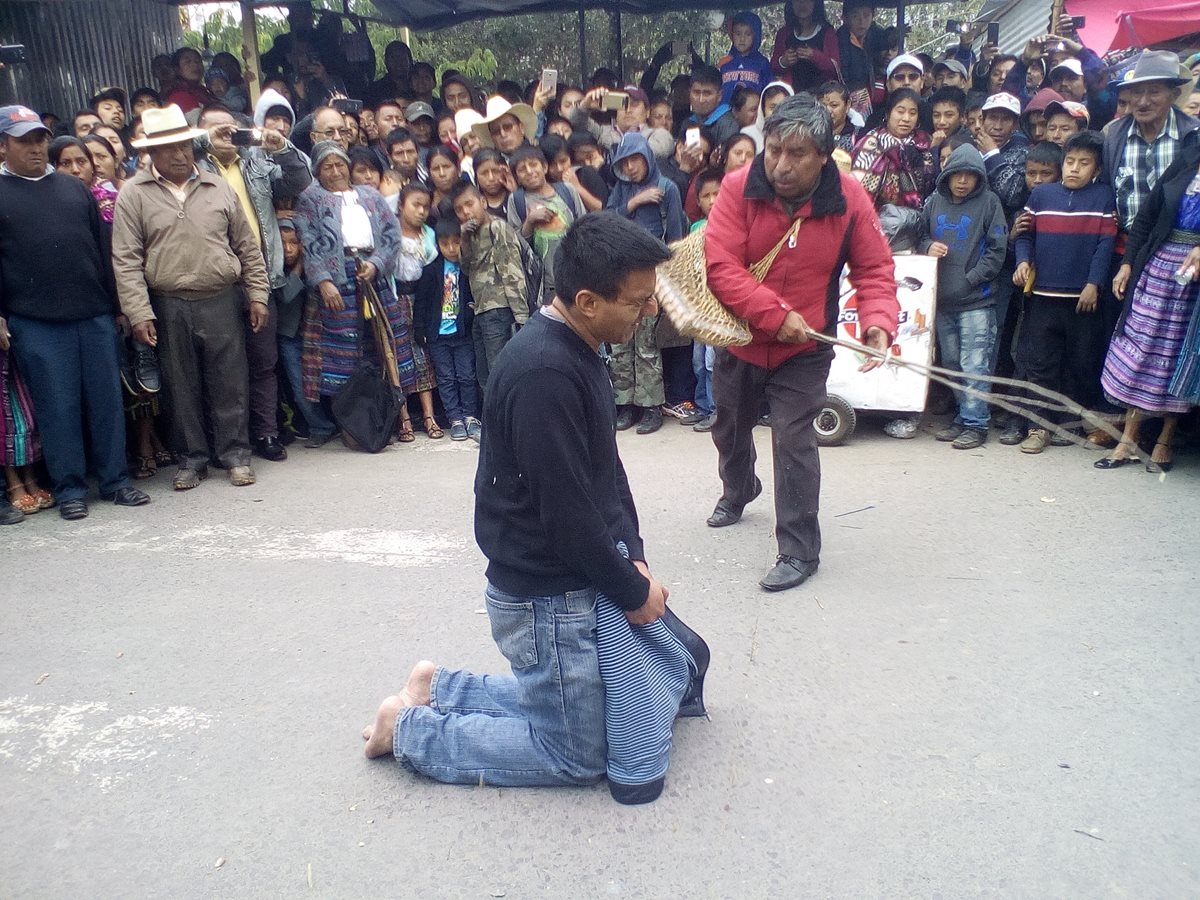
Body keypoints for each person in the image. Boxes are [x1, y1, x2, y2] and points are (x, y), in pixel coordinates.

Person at [362, 213, 687, 794]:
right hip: (545, 600)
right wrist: (633, 593)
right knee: (577, 755)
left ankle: (440, 689)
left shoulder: (579, 344)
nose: (649, 312)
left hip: (564, 580)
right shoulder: (545, 372)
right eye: (638, 303)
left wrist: (633, 556)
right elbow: (566, 517)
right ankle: (409, 729)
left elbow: (606, 471)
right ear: (587, 301)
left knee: (580, 706)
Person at [704, 94, 897, 591]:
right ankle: (739, 486)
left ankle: (798, 549)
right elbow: (721, 268)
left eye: (797, 154)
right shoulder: (736, 188)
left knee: (794, 439)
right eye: (773, 151)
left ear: (823, 155)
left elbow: (874, 268)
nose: (781, 166)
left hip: (805, 347)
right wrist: (775, 313)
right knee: (728, 424)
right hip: (740, 336)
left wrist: (879, 320)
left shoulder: (850, 198)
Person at [0, 105, 150, 520]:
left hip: (93, 316)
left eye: (38, 139)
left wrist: (117, 307)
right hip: (36, 322)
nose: (35, 148)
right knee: (58, 406)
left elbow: (103, 251)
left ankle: (117, 481)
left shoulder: (73, 189)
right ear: (3, 146)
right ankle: (70, 489)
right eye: (24, 141)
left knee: (106, 401)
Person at [112, 105, 270, 491]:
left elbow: (248, 247)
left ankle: (235, 455)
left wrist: (257, 295)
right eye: (169, 149)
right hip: (168, 301)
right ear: (150, 154)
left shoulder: (218, 186)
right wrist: (138, 312)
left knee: (230, 381)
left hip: (220, 296)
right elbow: (126, 258)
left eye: (184, 145)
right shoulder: (133, 194)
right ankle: (191, 459)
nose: (180, 155)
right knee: (180, 385)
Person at [195, 105, 313, 462]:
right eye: (214, 129)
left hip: (261, 276)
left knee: (264, 361)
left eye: (231, 128)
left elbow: (300, 180)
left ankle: (266, 433)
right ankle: (228, 441)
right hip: (215, 279)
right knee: (222, 367)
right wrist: (203, 142)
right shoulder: (193, 167)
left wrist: (282, 147)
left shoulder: (258, 162)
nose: (225, 134)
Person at [291, 141, 417, 442]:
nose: (335, 171)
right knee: (341, 353)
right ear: (317, 171)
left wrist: (375, 264)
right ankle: (350, 424)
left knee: (384, 345)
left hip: (372, 274)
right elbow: (308, 241)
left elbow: (390, 236)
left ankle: (391, 417)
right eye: (327, 166)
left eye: (339, 164)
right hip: (336, 279)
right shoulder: (311, 199)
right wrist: (323, 281)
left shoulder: (370, 196)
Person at [1096, 140, 1200, 473]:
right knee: (1141, 351)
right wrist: (1127, 263)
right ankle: (1128, 439)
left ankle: (1164, 441)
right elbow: (1147, 216)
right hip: (1158, 269)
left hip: (1194, 284)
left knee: (1177, 357)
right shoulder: (1186, 161)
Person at [1012, 130, 1116, 453]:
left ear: (1096, 169)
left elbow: (1105, 244)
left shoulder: (1103, 198)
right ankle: (1038, 428)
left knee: (1081, 364)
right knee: (1041, 364)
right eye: (1070, 161)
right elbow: (1025, 236)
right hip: (1042, 297)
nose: (1074, 168)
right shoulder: (1041, 196)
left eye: (1084, 163)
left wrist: (1094, 283)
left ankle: (1069, 425)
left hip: (1082, 300)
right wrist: (1022, 261)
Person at [918, 144, 1008, 449]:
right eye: (958, 174)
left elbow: (998, 250)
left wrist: (971, 279)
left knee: (975, 364)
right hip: (942, 303)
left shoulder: (990, 202)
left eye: (970, 175)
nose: (963, 181)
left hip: (977, 302)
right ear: (948, 174)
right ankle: (964, 416)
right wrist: (928, 245)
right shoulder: (934, 201)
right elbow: (919, 234)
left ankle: (976, 424)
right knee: (953, 365)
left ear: (979, 177)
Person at [606, 132, 687, 435]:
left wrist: (670, 282)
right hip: (619, 275)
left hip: (653, 276)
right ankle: (625, 405)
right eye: (624, 163)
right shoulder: (621, 189)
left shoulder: (668, 188)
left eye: (634, 160)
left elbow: (676, 238)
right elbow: (606, 223)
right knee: (620, 341)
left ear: (647, 157)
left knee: (647, 344)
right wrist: (634, 201)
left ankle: (651, 406)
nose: (629, 168)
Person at [448, 179, 529, 390]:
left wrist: (521, 315)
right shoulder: (470, 235)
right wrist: (464, 238)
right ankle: (496, 419)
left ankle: (508, 421)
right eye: (459, 209)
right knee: (485, 374)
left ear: (482, 202)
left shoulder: (498, 227)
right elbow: (466, 268)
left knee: (499, 372)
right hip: (481, 310)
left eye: (469, 204)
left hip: (500, 308)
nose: (466, 212)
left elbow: (513, 271)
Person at [413, 215, 480, 442]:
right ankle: (454, 419)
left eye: (456, 242)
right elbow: (421, 302)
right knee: (446, 378)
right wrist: (420, 328)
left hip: (462, 334)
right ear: (437, 245)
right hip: (438, 336)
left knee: (466, 375)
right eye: (445, 243)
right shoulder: (431, 270)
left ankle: (470, 416)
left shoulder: (468, 267)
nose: (451, 248)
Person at [273, 216, 338, 447]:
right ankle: (320, 426)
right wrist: (300, 265)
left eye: (294, 242)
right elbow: (286, 295)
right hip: (290, 337)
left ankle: (337, 422)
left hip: (318, 333)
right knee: (301, 388)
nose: (289, 249)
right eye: (283, 243)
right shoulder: (274, 267)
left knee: (327, 382)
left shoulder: (318, 262)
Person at [507, 144, 585, 303]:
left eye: (533, 165)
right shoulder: (517, 200)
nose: (529, 171)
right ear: (517, 177)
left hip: (576, 276)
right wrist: (530, 221)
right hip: (545, 284)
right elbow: (515, 245)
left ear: (544, 167)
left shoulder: (567, 190)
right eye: (522, 169)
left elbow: (584, 226)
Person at [394, 182, 442, 439]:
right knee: (397, 358)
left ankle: (428, 416)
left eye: (425, 206)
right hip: (394, 300)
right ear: (401, 205)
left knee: (423, 358)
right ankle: (404, 418)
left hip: (420, 300)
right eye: (415, 204)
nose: (421, 211)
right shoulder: (390, 233)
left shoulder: (429, 236)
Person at [850, 87, 934, 210]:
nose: (906, 118)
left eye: (912, 113)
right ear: (888, 114)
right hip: (874, 218)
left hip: (917, 219)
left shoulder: (925, 143)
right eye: (900, 111)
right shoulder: (870, 144)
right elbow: (856, 187)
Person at [570, 85, 672, 160]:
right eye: (623, 104)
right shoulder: (604, 132)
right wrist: (585, 105)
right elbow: (575, 121)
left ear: (647, 112)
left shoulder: (659, 134)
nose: (628, 110)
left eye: (634, 104)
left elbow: (652, 153)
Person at [769, 0, 840, 94]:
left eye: (808, 1)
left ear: (816, 3)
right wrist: (783, 61)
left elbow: (835, 68)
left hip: (822, 96)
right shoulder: (784, 33)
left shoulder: (828, 32)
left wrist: (815, 56)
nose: (802, 4)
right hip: (791, 97)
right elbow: (773, 67)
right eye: (797, 1)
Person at [837, 0, 886, 118]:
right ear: (845, 18)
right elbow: (843, 76)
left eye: (866, 15)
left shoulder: (876, 35)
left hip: (876, 99)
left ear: (873, 16)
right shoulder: (840, 40)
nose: (862, 21)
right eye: (855, 16)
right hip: (851, 100)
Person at [719, 11, 774, 104]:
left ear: (755, 36)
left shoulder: (762, 63)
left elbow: (770, 91)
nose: (742, 39)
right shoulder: (724, 62)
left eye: (748, 34)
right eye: (738, 34)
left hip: (752, 115)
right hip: (726, 115)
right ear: (732, 35)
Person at [684, 65, 741, 146]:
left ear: (719, 96)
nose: (701, 100)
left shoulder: (728, 125)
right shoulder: (688, 122)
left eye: (707, 94)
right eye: (696, 93)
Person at [165, 48, 217, 115]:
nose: (195, 65)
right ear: (177, 69)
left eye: (198, 61)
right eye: (188, 61)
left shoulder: (202, 90)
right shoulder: (179, 95)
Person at [742, 81, 793, 150]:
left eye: (783, 106)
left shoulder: (798, 137)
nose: (777, 112)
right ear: (763, 109)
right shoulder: (747, 135)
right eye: (773, 107)